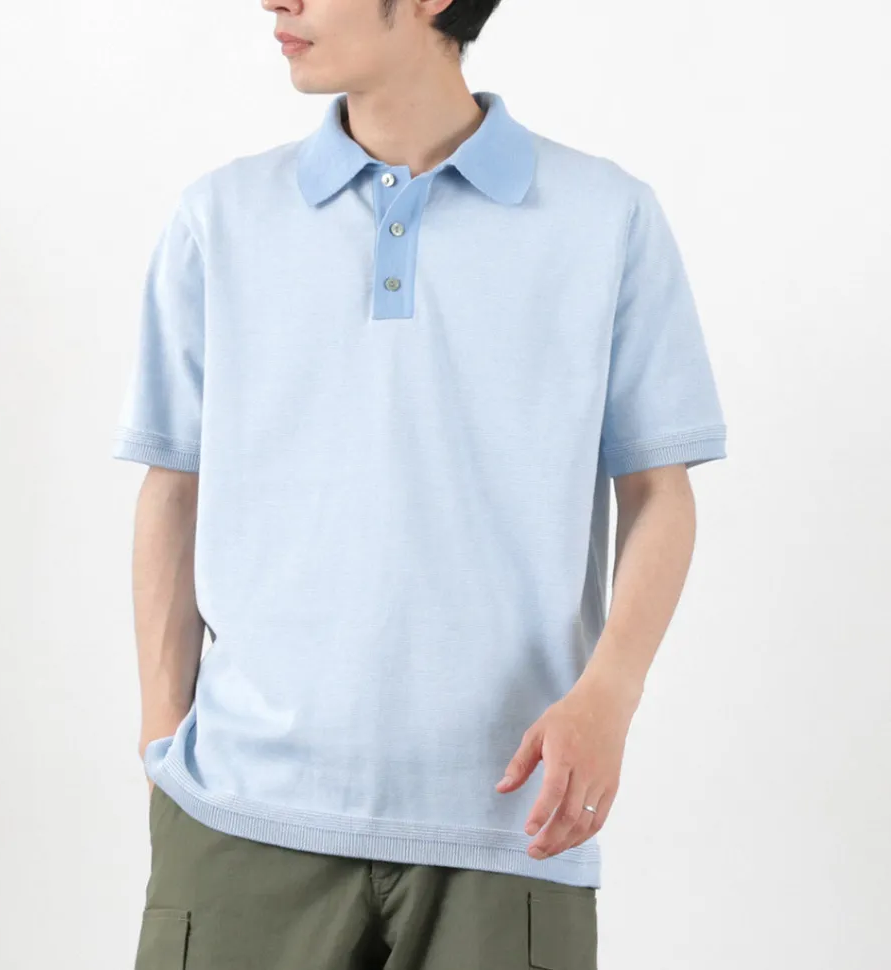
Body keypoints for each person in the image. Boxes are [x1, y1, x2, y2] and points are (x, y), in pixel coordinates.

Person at [111, 1, 728, 967]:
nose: (276, 1)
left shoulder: (607, 218)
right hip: (239, 815)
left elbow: (659, 493)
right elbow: (173, 488)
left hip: (511, 820)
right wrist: (161, 742)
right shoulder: (219, 217)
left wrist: (610, 693)